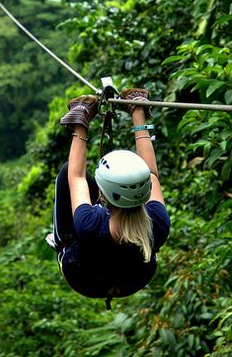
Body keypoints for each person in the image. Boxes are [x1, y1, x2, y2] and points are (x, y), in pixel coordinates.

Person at [48, 88, 170, 305]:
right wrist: (137, 112)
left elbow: (75, 176)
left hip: (82, 278)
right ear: (146, 190)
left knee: (68, 177)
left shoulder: (90, 223)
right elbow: (151, 173)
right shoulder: (157, 221)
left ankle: (61, 243)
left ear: (101, 194)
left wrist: (80, 121)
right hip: (134, 279)